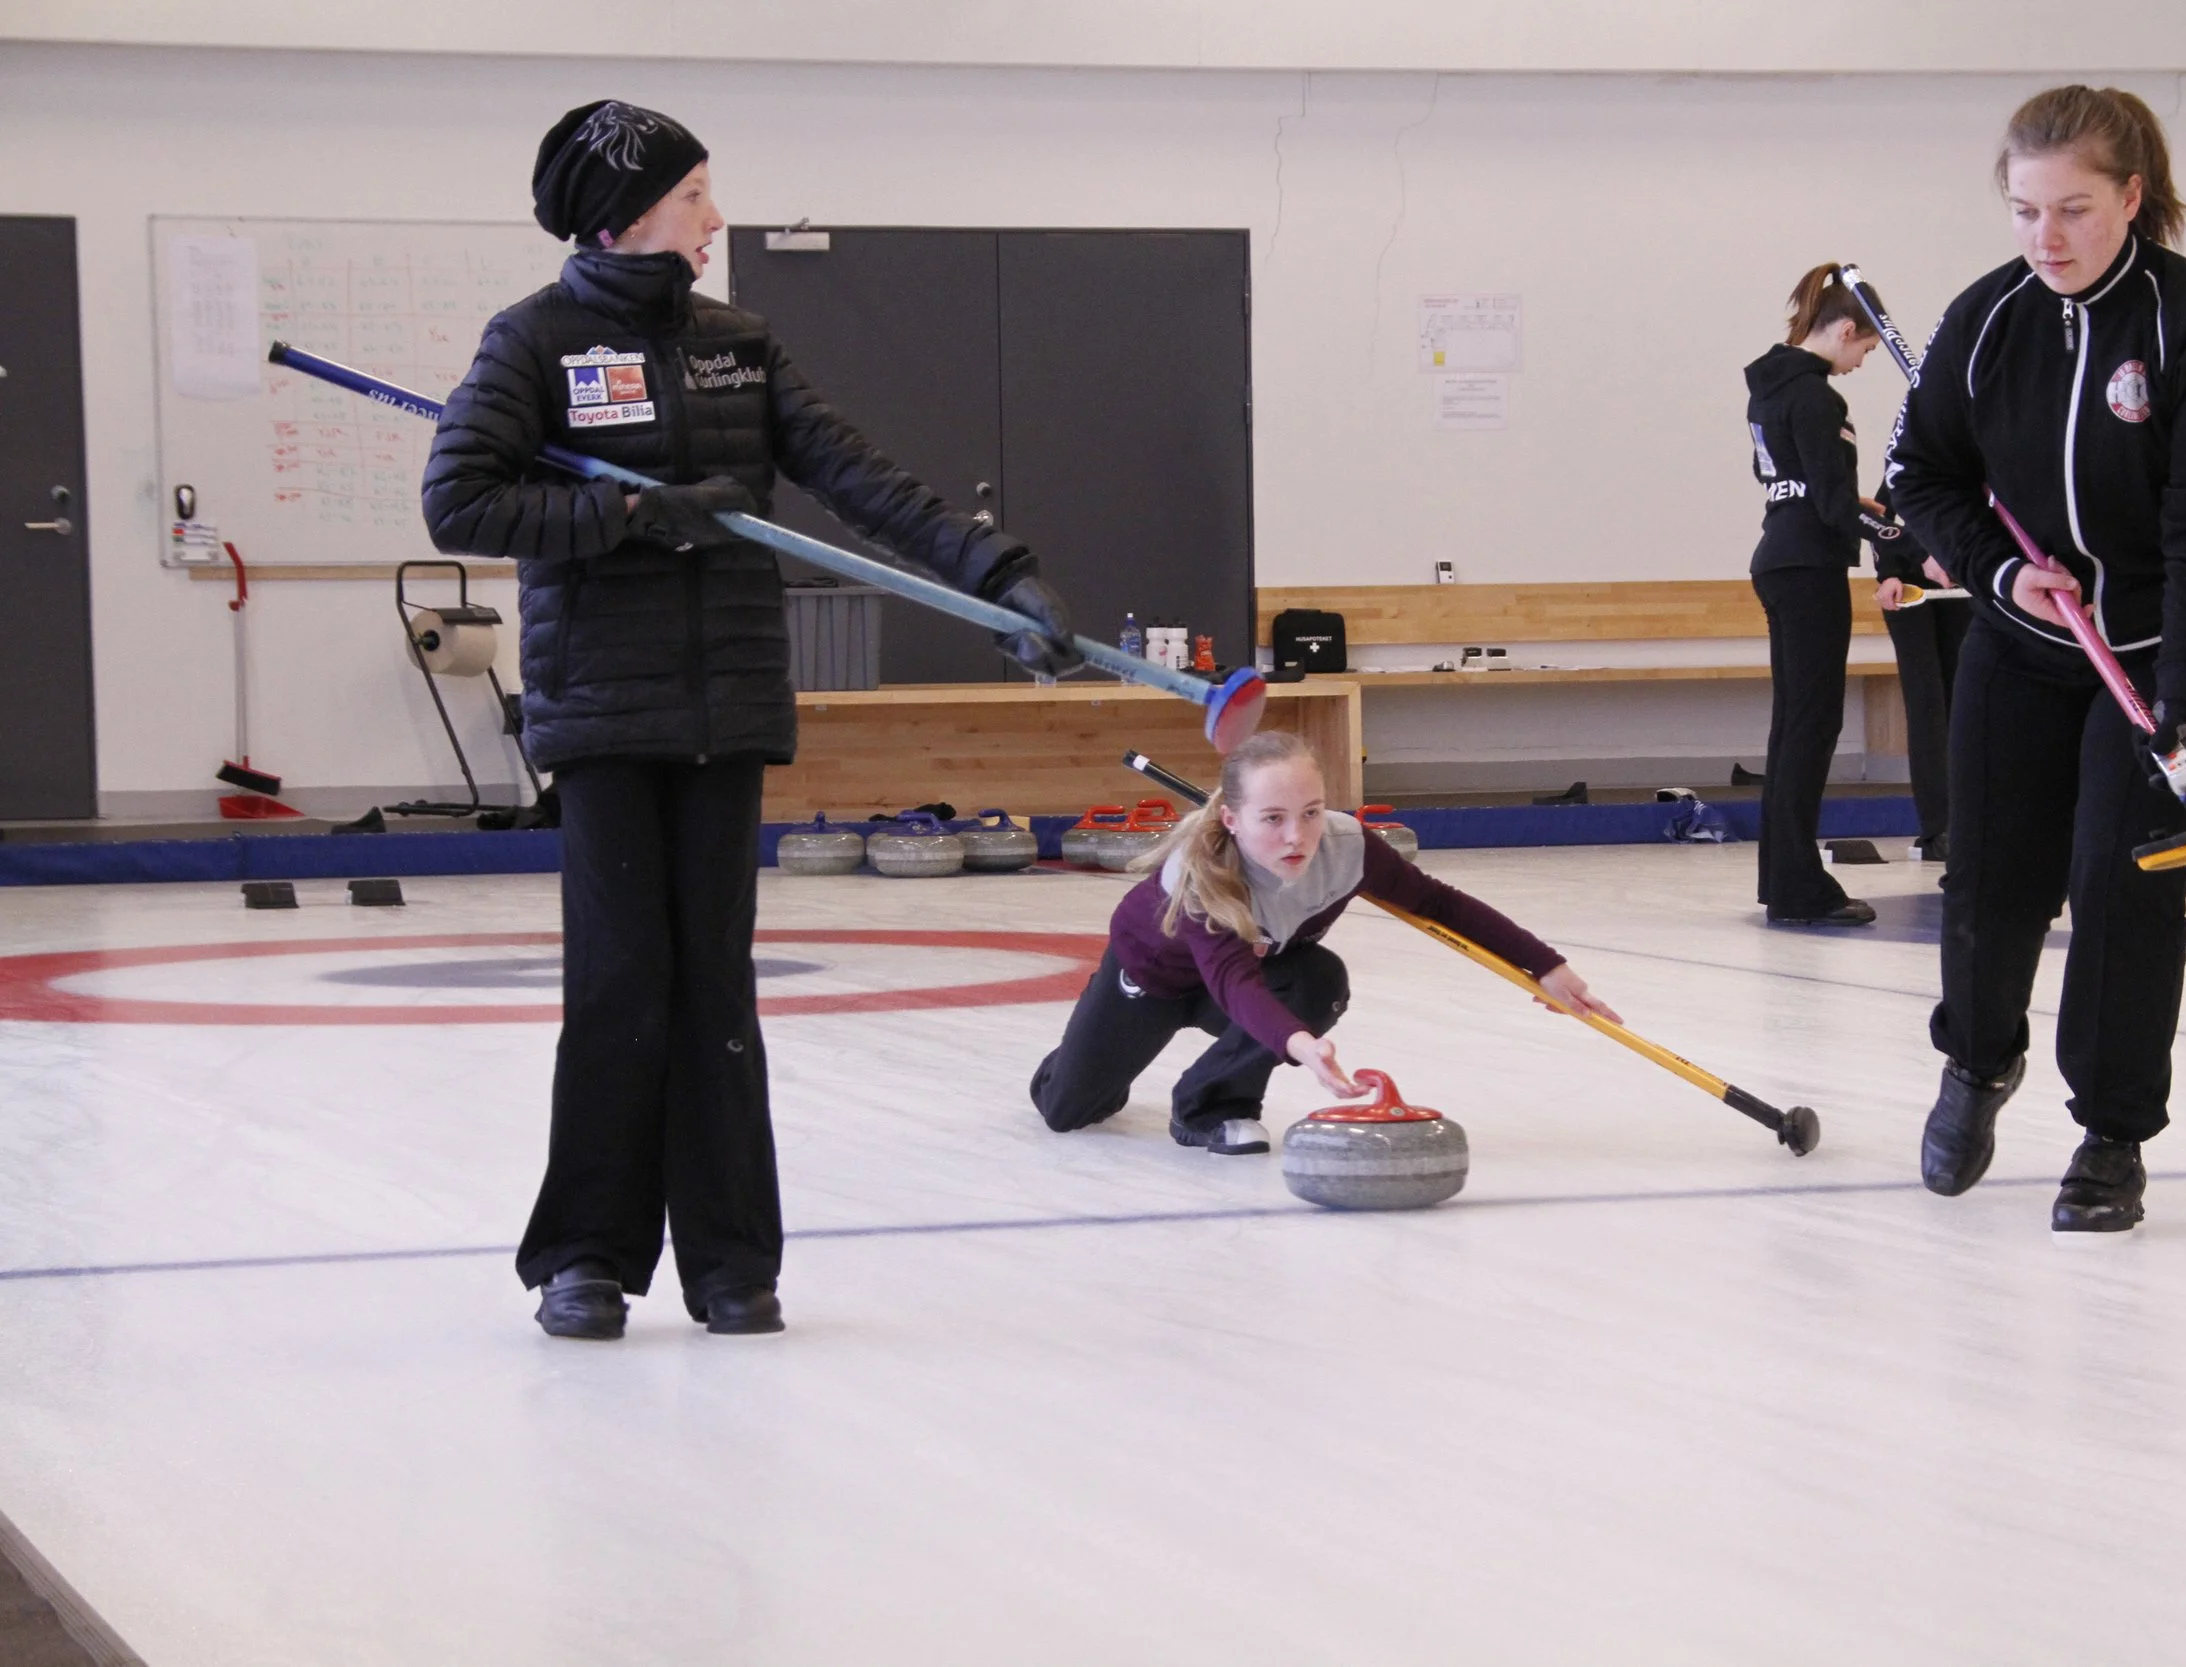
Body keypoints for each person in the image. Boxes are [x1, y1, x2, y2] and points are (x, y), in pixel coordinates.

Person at [422, 100, 1082, 1339]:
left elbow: (863, 480)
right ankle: (586, 1255)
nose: (715, 217)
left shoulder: (738, 346)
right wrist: (633, 516)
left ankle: (731, 1258)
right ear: (623, 214)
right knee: (620, 983)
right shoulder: (534, 340)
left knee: (716, 991)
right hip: (604, 712)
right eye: (693, 196)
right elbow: (460, 501)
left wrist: (998, 579)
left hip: (725, 702)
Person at [1887, 85, 2186, 1233]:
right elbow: (1921, 477)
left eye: (2072, 209)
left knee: (2121, 886)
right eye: (2023, 210)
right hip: (2024, 640)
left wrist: (2182, 698)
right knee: (1988, 874)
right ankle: (1976, 1059)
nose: (2044, 237)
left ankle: (2110, 1134)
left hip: (2172, 646)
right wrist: (2000, 574)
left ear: (2131, 197)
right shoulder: (1985, 319)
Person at [1029, 731, 1616, 1152]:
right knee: (1070, 1111)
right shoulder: (1202, 875)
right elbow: (1232, 981)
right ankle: (1084, 1056)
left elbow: (1439, 903)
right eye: (1273, 818)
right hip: (1153, 981)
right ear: (1232, 819)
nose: (1297, 836)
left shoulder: (1347, 846)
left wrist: (1545, 966)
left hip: (1255, 975)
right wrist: (1299, 1044)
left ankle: (1213, 1106)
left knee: (1319, 979)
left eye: (1310, 812)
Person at [1743, 264, 1913, 927]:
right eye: (1864, 348)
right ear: (1845, 330)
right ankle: (1799, 889)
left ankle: (1784, 880)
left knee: (1794, 726)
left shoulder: (1770, 390)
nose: (1862, 362)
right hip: (1809, 567)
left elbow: (1800, 485)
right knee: (1812, 727)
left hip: (1781, 558)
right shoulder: (1818, 399)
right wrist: (1908, 541)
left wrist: (1859, 506)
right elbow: (1833, 504)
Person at [1871, 507, 1968, 865]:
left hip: (1959, 581)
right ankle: (1936, 828)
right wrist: (1888, 574)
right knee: (1926, 704)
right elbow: (1883, 522)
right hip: (1908, 588)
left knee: (1961, 699)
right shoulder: (1903, 473)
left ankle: (1967, 821)